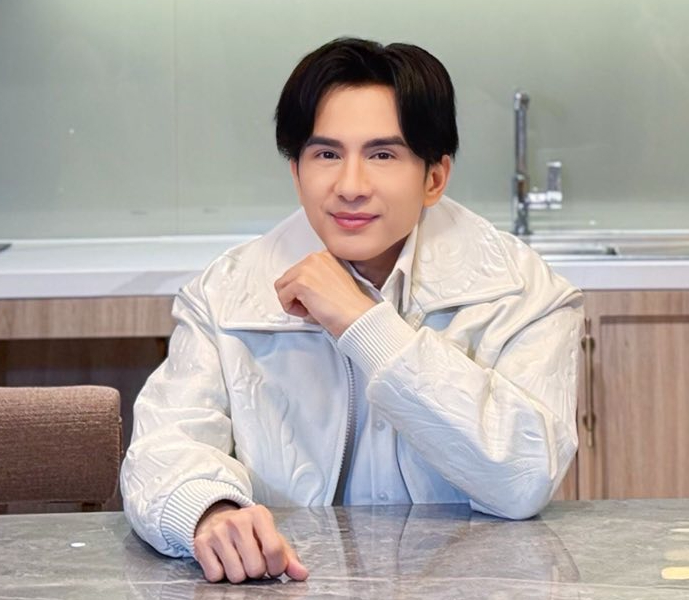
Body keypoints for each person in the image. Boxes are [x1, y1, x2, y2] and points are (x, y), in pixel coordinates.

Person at [121, 37, 583, 584]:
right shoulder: (223, 295)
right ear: (296, 172)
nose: (350, 186)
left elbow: (524, 479)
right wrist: (210, 512)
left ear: (434, 178)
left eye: (383, 155)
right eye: (327, 155)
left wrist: (365, 324)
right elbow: (163, 448)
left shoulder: (525, 293)